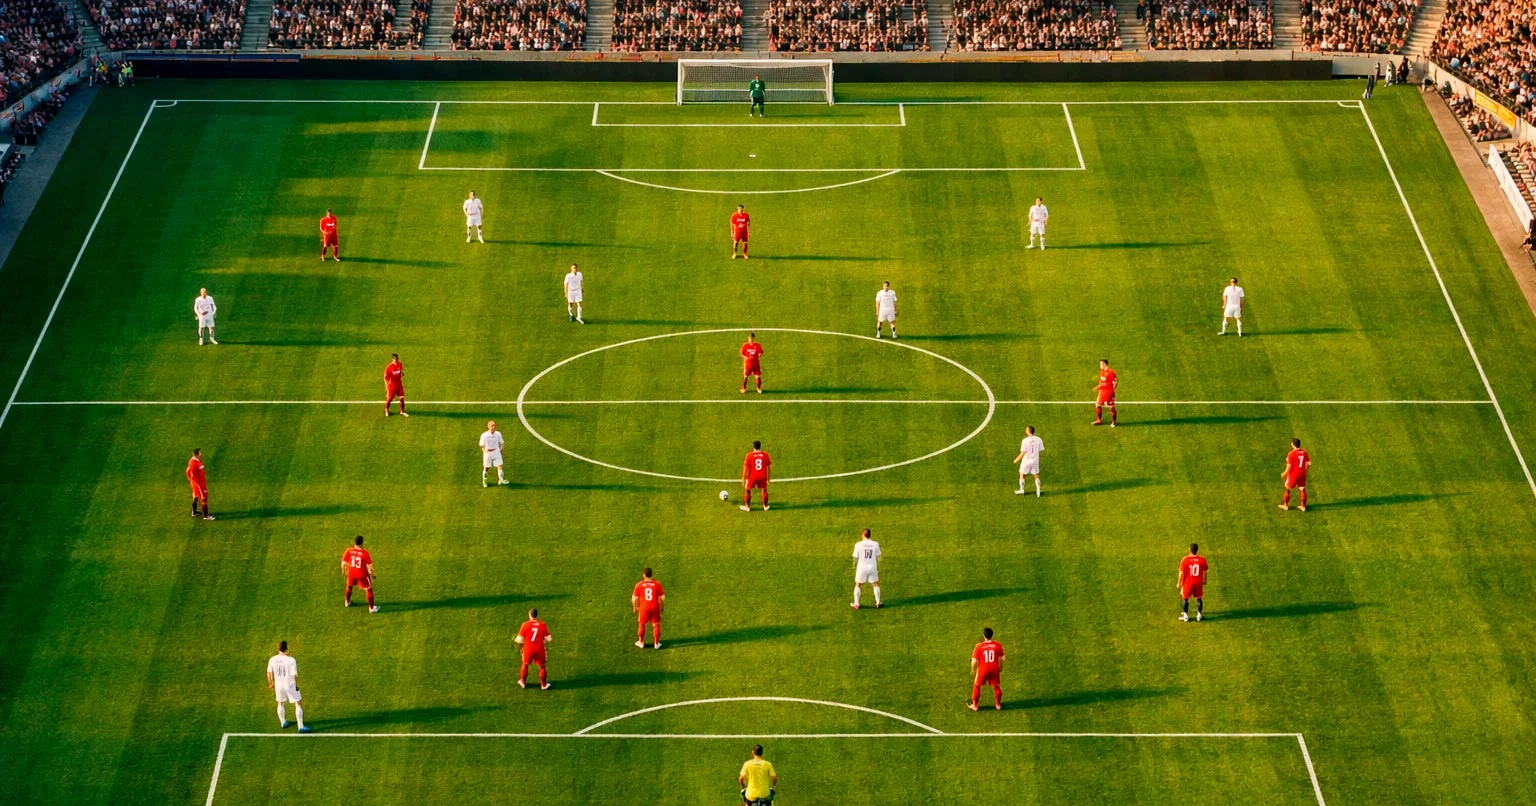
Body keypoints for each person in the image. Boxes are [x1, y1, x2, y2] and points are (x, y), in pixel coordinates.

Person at [266, 641, 311, 732]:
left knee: (280, 703)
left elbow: (269, 673)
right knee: (297, 703)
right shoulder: (291, 660)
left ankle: (283, 722)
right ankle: (301, 727)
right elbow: (294, 674)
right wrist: (297, 685)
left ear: (278, 649)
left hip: (279, 686)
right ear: (286, 649)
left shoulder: (272, 659)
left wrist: (271, 683)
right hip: (290, 685)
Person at [969, 627, 1004, 711]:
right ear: (992, 635)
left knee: (977, 686)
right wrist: (1001, 667)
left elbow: (974, 661)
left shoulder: (979, 646)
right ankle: (998, 705)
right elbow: (1003, 658)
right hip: (994, 668)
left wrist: (973, 669)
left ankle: (975, 706)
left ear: (984, 635)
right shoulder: (998, 645)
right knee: (997, 686)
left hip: (983, 669)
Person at [515, 608, 552, 689]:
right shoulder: (542, 624)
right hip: (539, 649)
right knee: (542, 667)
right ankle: (543, 685)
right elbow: (549, 639)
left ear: (529, 615)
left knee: (525, 665)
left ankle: (522, 682)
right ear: (537, 615)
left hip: (528, 649)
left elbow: (519, 640)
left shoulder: (524, 625)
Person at [342, 535, 378, 612]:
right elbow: (370, 567)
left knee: (349, 586)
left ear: (354, 542)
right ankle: (372, 608)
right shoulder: (365, 553)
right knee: (369, 589)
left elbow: (343, 563)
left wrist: (344, 572)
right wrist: (373, 575)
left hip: (351, 573)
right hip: (362, 574)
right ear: (362, 543)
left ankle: (347, 602)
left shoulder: (348, 551)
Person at [633, 567, 665, 649]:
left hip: (644, 608)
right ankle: (656, 644)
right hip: (655, 607)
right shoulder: (657, 584)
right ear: (651, 575)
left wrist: (635, 607)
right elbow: (662, 598)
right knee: (656, 625)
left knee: (641, 624)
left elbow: (634, 598)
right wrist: (661, 607)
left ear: (644, 575)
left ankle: (641, 642)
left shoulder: (639, 585)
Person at [851, 528, 881, 610]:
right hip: (872, 567)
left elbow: (855, 557)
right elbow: (878, 556)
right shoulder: (875, 544)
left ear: (863, 535)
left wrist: (854, 566)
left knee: (858, 584)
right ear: (870, 535)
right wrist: (877, 566)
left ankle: (856, 604)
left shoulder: (858, 544)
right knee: (875, 584)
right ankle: (878, 602)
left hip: (861, 567)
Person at [1178, 542, 1209, 622]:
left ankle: (1185, 616)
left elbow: (1181, 573)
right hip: (1198, 582)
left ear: (1189, 549)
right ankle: (1199, 615)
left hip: (1188, 582)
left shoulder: (1185, 560)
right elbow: (1205, 571)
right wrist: (1205, 580)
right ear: (1197, 550)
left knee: (1185, 598)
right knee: (1199, 598)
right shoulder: (1202, 559)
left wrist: (1179, 582)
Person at [1280, 438, 1310, 512]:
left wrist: (1284, 474)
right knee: (1302, 489)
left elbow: (1289, 467)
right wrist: (1305, 471)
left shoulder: (1291, 454)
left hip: (1293, 474)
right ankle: (1303, 506)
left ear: (1292, 444)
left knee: (1288, 488)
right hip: (1302, 473)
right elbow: (1308, 463)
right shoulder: (1304, 452)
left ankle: (1285, 505)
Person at [741, 439, 771, 512]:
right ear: (760, 446)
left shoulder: (749, 455)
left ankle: (747, 507)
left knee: (747, 490)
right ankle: (765, 506)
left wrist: (743, 479)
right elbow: (769, 467)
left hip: (752, 476)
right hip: (762, 476)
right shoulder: (765, 455)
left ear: (753, 447)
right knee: (764, 490)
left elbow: (745, 469)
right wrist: (768, 478)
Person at [1014, 425, 1043, 496]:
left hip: (1026, 461)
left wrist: (1016, 460)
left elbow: (1023, 452)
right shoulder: (1039, 439)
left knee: (1022, 474)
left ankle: (1022, 489)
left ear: (1029, 431)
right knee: (1036, 475)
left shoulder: (1025, 441)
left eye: (1026, 430)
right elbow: (1040, 449)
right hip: (1035, 460)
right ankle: (1038, 490)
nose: (1025, 430)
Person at [480, 420, 509, 487]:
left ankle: (501, 480)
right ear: (488, 426)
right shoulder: (484, 435)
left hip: (496, 451)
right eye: (492, 425)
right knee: (486, 468)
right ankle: (484, 481)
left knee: (500, 466)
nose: (493, 427)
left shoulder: (498, 434)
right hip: (488, 453)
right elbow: (482, 445)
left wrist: (500, 450)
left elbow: (502, 443)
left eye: (494, 425)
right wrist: (485, 451)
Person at [186, 448, 213, 520]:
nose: (201, 454)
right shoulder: (197, 463)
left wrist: (190, 479)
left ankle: (194, 512)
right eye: (200, 453)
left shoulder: (191, 461)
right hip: (199, 483)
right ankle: (206, 516)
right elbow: (199, 473)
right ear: (197, 454)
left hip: (194, 482)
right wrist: (200, 483)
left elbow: (187, 471)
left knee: (196, 496)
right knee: (204, 498)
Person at [1093, 359, 1118, 427]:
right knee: (1097, 405)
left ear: (1105, 364)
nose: (1100, 365)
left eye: (1101, 364)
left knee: (1111, 407)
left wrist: (1111, 391)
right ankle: (1099, 420)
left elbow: (1115, 382)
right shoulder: (1102, 372)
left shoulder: (1110, 372)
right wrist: (1098, 387)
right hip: (1102, 392)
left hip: (1109, 392)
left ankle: (1113, 422)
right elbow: (1102, 382)